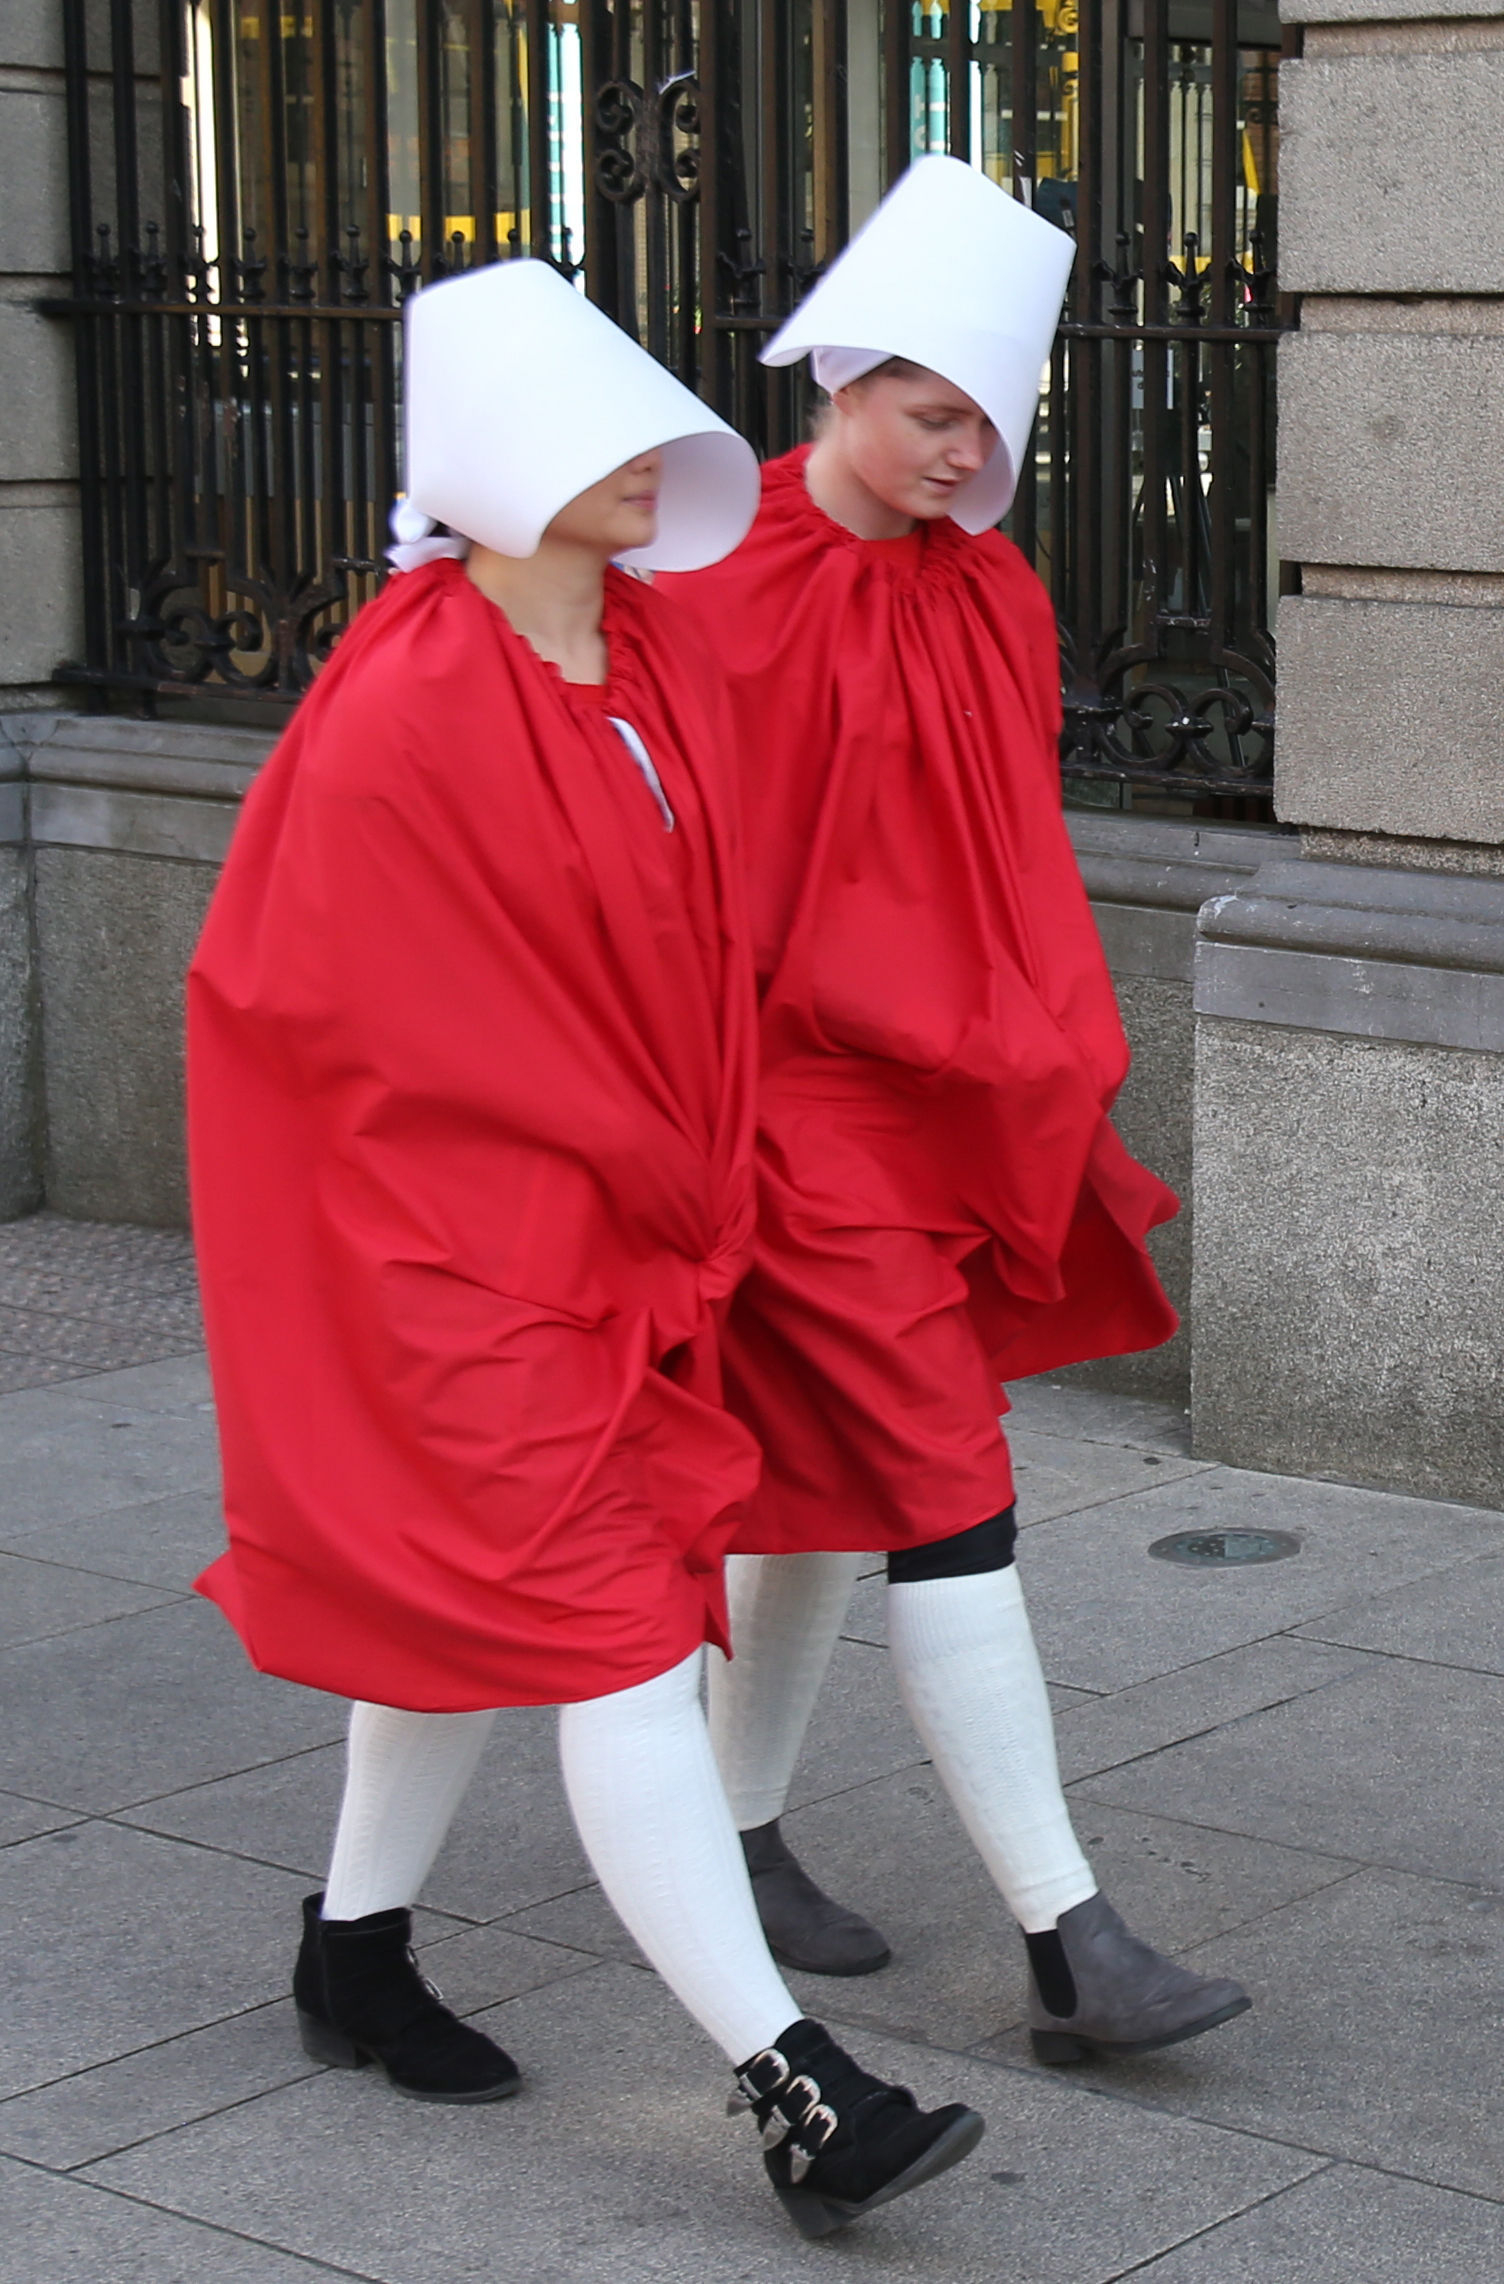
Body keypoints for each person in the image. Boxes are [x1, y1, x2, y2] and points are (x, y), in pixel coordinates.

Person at [186, 259, 984, 2238]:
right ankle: (798, 2084)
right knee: (619, 1647)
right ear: (497, 460)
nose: (656, 455)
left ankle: (351, 1947)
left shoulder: (650, 660)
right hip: (463, 1266)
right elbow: (312, 1008)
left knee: (478, 1615)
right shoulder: (402, 703)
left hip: (626, 1246)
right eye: (604, 426)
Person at [659, 157, 1247, 2060]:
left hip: (947, 1104)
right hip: (789, 1115)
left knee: (827, 1496)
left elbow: (1005, 857)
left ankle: (734, 1834)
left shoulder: (990, 585)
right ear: (842, 381)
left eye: (988, 419)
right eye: (930, 411)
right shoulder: (700, 565)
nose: (960, 446)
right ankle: (1072, 1940)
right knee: (948, 1495)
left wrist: (1042, 1066)